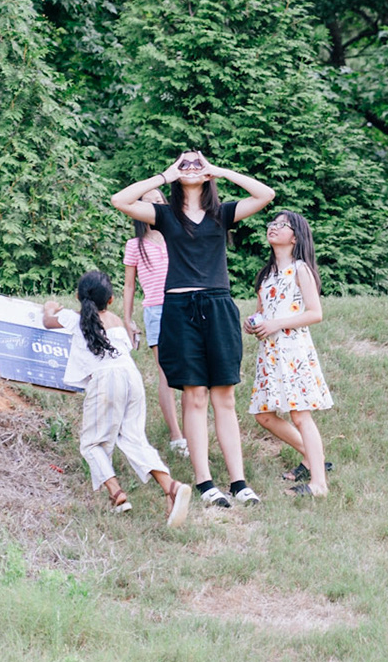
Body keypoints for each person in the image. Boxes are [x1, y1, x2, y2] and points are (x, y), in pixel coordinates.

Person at [110, 151, 275, 510]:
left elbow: (266, 194)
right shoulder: (165, 215)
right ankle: (205, 483)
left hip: (218, 305)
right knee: (195, 395)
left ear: (207, 172)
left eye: (196, 162)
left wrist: (219, 171)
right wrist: (165, 176)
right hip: (179, 309)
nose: (190, 167)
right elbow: (119, 200)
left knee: (224, 396)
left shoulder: (222, 214)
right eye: (183, 163)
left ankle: (239, 483)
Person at [42, 271, 192, 526]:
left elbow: (48, 321)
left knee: (91, 443)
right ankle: (171, 486)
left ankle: (116, 493)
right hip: (131, 377)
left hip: (106, 379)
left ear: (78, 296)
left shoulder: (74, 318)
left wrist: (50, 306)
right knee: (134, 438)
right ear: (110, 300)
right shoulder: (115, 321)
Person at [246, 211, 334, 496]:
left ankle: (318, 484)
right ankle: (311, 457)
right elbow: (263, 311)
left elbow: (315, 313)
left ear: (295, 237)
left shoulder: (300, 269)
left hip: (293, 350)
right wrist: (253, 322)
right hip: (270, 352)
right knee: (263, 415)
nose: (273, 227)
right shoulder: (266, 275)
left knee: (300, 416)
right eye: (272, 223)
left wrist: (276, 324)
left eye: (281, 224)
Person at [121, 187, 188, 458]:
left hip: (184, 306)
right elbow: (129, 286)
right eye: (148, 203)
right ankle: (176, 436)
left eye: (159, 201)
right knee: (166, 374)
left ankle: (192, 431)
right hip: (156, 310)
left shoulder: (178, 235)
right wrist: (127, 319)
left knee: (190, 372)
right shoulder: (134, 245)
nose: (155, 207)